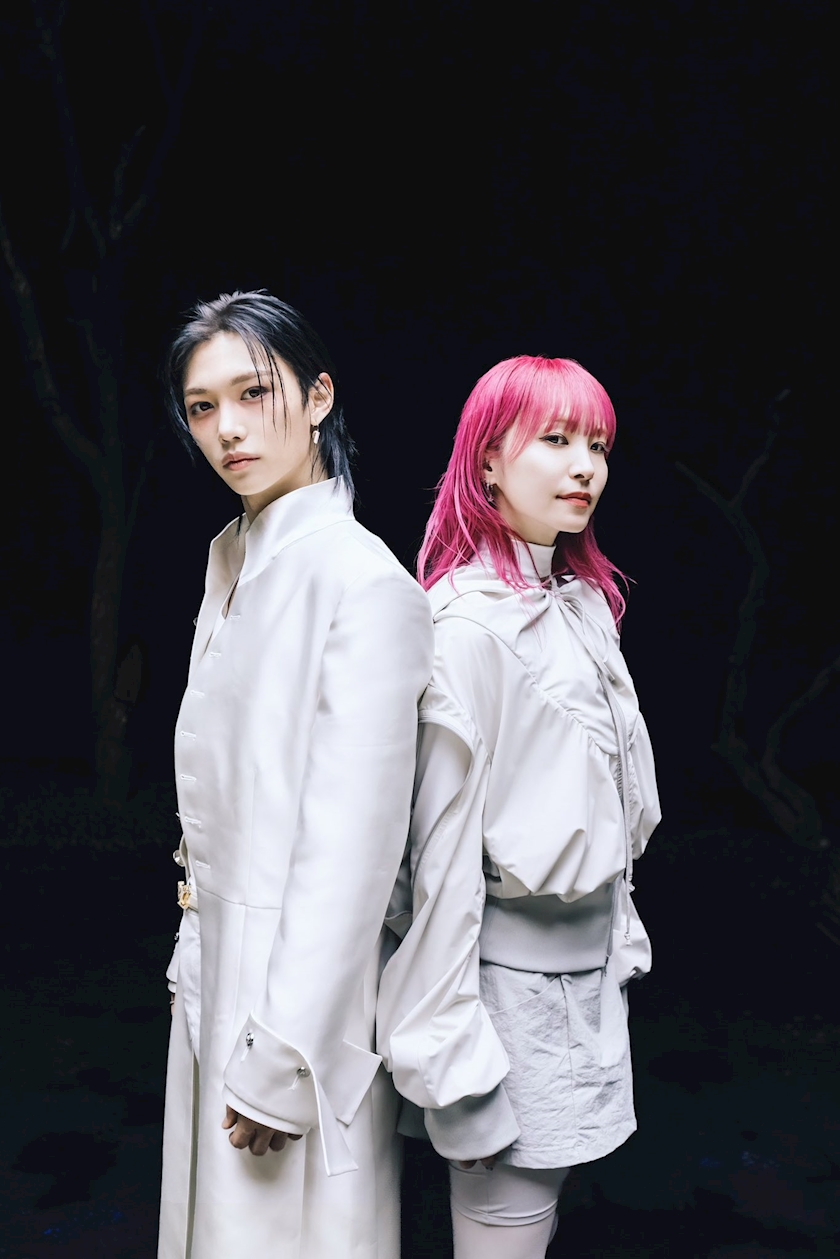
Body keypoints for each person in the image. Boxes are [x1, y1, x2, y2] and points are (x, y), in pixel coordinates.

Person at [157, 291, 433, 1258]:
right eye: (202, 407)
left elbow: (352, 854)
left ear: (318, 397)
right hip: (216, 973)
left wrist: (282, 1058)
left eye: (252, 393)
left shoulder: (363, 581)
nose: (227, 428)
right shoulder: (234, 559)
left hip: (298, 1007)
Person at [377, 356, 661, 1258]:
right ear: (489, 459)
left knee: (530, 1221)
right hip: (503, 996)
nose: (585, 466)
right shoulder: (465, 626)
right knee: (505, 1225)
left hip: (583, 979)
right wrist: (451, 1052)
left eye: (598, 445)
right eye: (556, 439)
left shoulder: (583, 605)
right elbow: (435, 864)